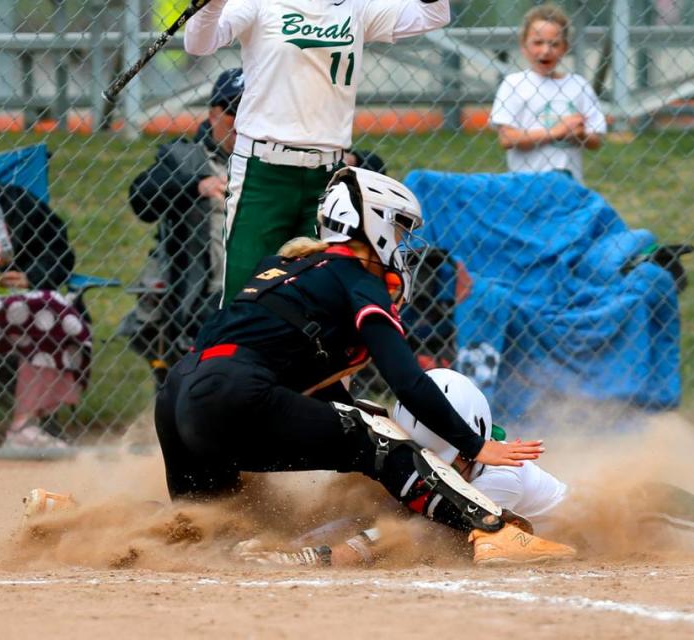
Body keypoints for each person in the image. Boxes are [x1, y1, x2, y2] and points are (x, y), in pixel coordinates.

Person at [152, 166, 576, 565]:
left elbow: (300, 381)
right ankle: (495, 531)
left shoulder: (289, 268)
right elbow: (407, 380)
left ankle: (138, 537)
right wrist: (473, 445)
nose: (401, 243)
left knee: (213, 535)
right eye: (397, 229)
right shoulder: (356, 277)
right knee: (377, 433)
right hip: (232, 394)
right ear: (372, 223)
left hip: (177, 400)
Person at [235, 371, 694, 568]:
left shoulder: (488, 482)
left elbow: (388, 536)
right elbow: (376, 508)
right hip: (636, 510)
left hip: (648, 515)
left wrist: (313, 557)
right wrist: (293, 535)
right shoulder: (464, 455)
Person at [183, 0, 452, 302]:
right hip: (262, 170)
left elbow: (434, 14)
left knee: (319, 297)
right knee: (245, 292)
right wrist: (211, 5)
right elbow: (198, 43)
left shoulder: (355, 8)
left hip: (326, 176)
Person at [0, 115, 89, 450]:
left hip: (12, 305)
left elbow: (58, 250)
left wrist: (32, 277)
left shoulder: (11, 200)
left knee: (49, 309)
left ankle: (25, 425)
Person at [122, 68, 242, 384]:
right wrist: (196, 186)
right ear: (214, 113)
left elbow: (369, 166)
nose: (243, 121)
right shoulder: (184, 157)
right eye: (234, 111)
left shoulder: (275, 161)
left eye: (253, 110)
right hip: (201, 291)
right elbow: (141, 197)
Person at [490, 3, 606, 183]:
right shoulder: (514, 84)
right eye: (538, 42)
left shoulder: (579, 85)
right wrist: (557, 131)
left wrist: (579, 134)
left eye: (554, 44)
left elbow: (595, 140)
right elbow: (507, 138)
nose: (545, 51)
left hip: (569, 185)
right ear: (524, 46)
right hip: (525, 185)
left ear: (565, 48)